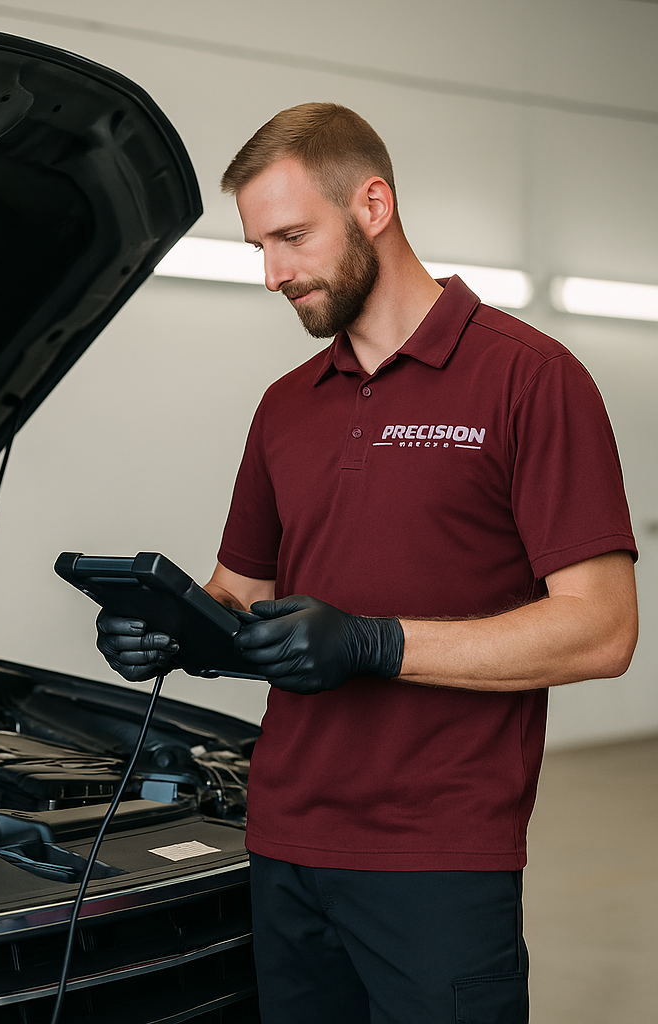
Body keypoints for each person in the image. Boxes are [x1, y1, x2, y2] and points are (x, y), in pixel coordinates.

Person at [97, 102, 637, 1023]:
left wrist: (377, 644)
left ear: (373, 206)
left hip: (439, 857)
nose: (273, 275)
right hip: (281, 840)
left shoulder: (531, 378)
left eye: (293, 237)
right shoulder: (285, 405)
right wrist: (172, 627)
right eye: (259, 247)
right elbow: (241, 593)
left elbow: (602, 628)